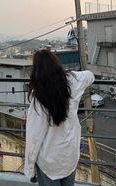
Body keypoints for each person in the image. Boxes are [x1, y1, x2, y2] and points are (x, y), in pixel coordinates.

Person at [24, 49, 94, 186]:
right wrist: (70, 74)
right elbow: (90, 76)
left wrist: (30, 170)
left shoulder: (39, 97)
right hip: (69, 155)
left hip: (49, 161)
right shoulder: (73, 81)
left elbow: (34, 138)